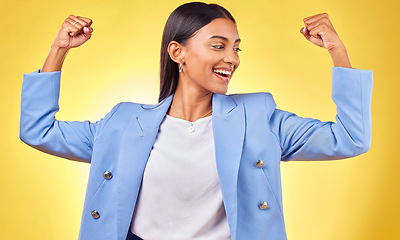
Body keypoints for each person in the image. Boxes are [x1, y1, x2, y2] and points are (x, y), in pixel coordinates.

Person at [19, 2, 373, 240]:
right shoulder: (124, 123)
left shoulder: (258, 117)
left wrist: (337, 52)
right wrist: (59, 50)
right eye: (218, 46)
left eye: (236, 47)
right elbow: (39, 131)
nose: (231, 58)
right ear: (178, 53)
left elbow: (350, 138)